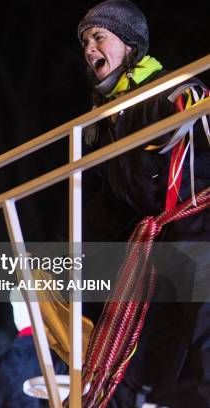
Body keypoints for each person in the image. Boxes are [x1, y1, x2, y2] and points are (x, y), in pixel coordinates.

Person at [77, 0, 210, 406]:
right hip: (154, 238)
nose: (89, 48)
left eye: (99, 37)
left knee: (204, 331)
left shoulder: (168, 90)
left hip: (198, 222)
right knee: (133, 346)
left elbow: (197, 112)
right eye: (85, 41)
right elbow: (108, 202)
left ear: (130, 46)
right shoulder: (102, 121)